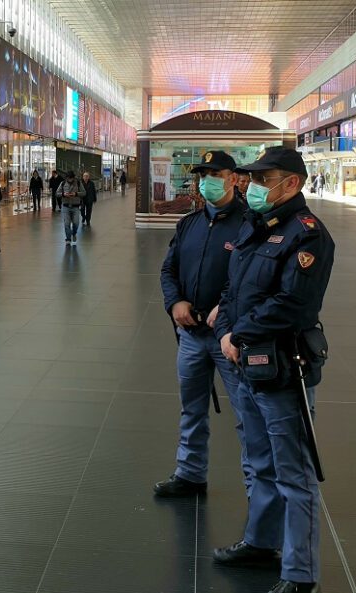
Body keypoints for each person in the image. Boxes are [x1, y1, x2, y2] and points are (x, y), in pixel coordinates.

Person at [212, 147, 335, 593]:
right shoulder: (255, 228)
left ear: (293, 184)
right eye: (255, 179)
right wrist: (226, 329)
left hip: (282, 370)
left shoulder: (308, 236)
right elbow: (232, 287)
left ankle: (300, 573)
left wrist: (237, 334)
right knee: (258, 460)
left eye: (267, 179)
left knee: (293, 472)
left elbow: (293, 304)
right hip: (245, 365)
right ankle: (260, 542)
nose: (257, 187)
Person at [155, 150, 251, 499]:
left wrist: (224, 309)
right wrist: (175, 302)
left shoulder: (249, 224)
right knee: (192, 407)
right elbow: (169, 270)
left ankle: (259, 493)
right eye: (202, 174)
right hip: (192, 337)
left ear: (233, 178)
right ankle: (190, 473)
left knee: (247, 415)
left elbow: (251, 280)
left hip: (229, 340)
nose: (206, 180)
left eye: (214, 173)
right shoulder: (189, 223)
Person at [56, 170, 85, 245]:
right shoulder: (62, 183)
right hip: (66, 206)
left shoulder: (78, 183)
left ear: (73, 177)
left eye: (71, 178)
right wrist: (63, 194)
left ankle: (74, 233)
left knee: (76, 223)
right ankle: (68, 239)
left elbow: (84, 193)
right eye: (68, 178)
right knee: (66, 224)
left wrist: (75, 194)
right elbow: (57, 193)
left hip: (75, 206)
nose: (70, 180)